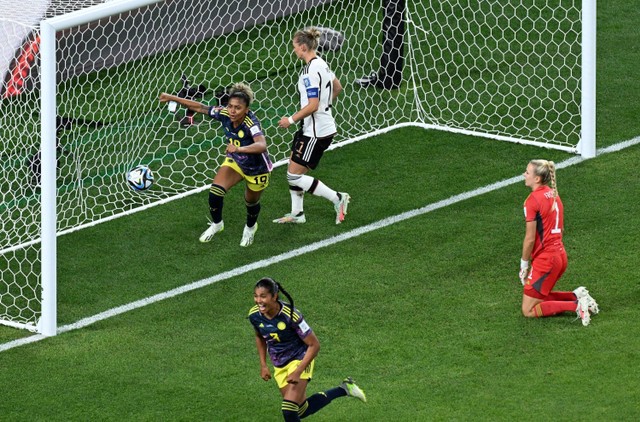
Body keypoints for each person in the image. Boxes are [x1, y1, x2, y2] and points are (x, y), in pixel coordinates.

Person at [159, 83, 272, 247]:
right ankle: (217, 224)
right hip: (235, 162)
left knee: (251, 202)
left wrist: (239, 148)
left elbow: (262, 145)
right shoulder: (225, 114)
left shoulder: (250, 123)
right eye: (230, 106)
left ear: (246, 110)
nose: (232, 111)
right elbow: (200, 107)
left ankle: (250, 227)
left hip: (257, 169)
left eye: (238, 108)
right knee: (215, 192)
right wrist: (171, 97)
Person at [248, 277, 366, 421]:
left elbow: (314, 345)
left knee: (288, 409)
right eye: (256, 296)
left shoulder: (291, 315)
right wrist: (263, 365)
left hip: (300, 358)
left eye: (263, 296)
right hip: (279, 364)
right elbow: (260, 337)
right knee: (301, 410)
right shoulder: (254, 315)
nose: (258, 300)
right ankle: (345, 389)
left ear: (274, 296)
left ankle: (344, 388)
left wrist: (298, 371)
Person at [274, 27, 350, 225]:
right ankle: (297, 213)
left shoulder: (309, 71)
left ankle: (338, 198)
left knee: (294, 176)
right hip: (314, 127)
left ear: (303, 47)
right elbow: (338, 87)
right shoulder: (322, 64)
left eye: (295, 47)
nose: (294, 51)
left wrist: (289, 120)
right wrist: (326, 106)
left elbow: (313, 105)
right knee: (292, 167)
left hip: (315, 133)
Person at [519, 159, 599, 326]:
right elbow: (560, 229)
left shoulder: (532, 200)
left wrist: (524, 264)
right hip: (560, 256)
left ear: (537, 179)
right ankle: (577, 296)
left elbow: (530, 238)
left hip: (547, 261)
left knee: (528, 310)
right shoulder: (553, 194)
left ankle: (577, 306)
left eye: (527, 172)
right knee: (538, 296)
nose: (524, 175)